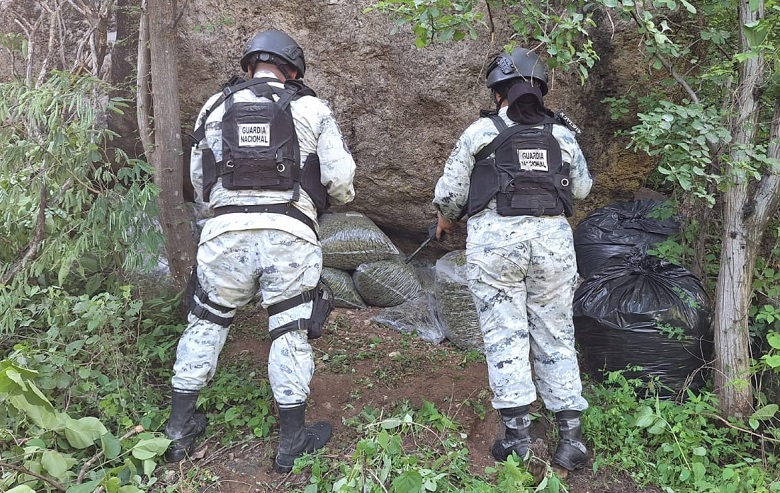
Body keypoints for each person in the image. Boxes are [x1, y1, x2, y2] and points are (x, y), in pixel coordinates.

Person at [163, 29, 356, 474]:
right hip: (289, 233)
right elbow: (341, 181)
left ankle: (178, 431)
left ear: (249, 66)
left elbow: (198, 181)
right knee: (289, 330)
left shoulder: (214, 107)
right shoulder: (312, 108)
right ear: (293, 70)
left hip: (224, 233)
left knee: (206, 321)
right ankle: (291, 443)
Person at [432, 47, 593, 473]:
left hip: (496, 246)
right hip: (554, 246)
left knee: (505, 334)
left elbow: (450, 195)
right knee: (556, 333)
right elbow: (580, 190)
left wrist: (445, 221)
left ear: (497, 89)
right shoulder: (562, 134)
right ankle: (571, 440)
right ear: (541, 88)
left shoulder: (478, 133)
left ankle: (518, 439)